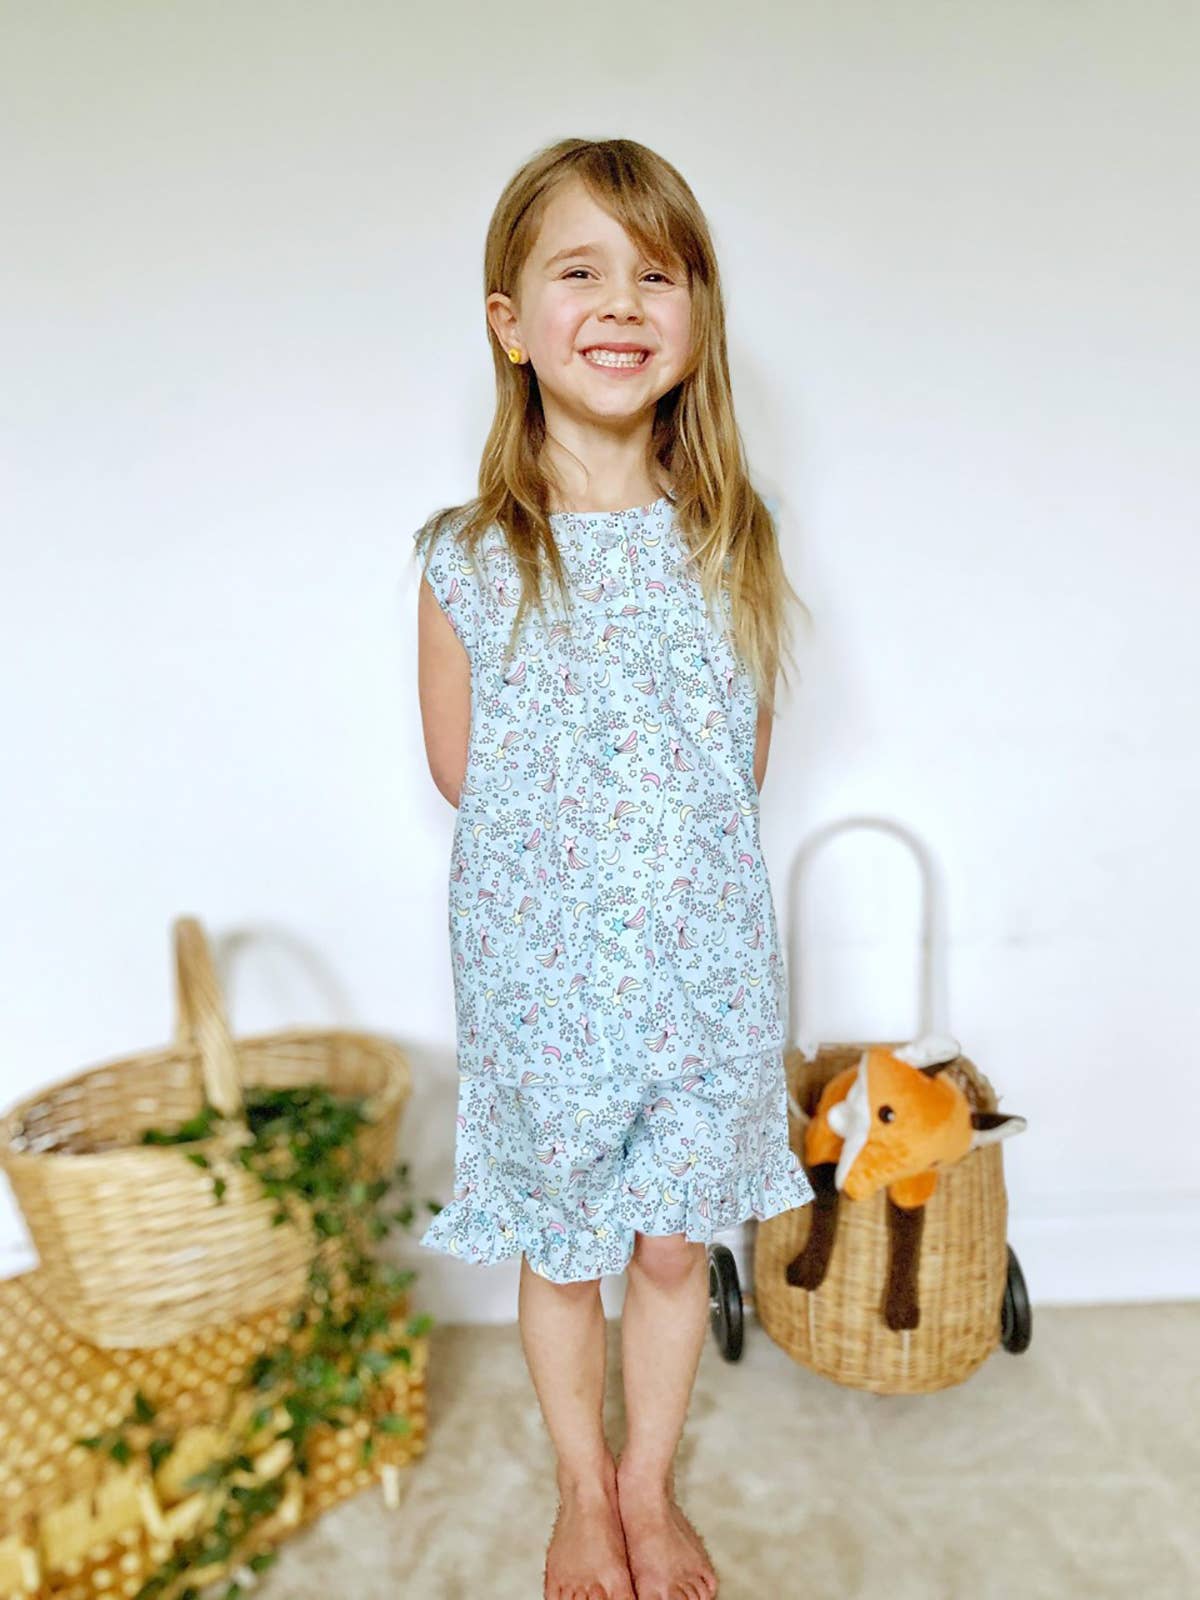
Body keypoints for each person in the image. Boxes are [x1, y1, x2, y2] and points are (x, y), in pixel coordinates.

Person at [413, 136, 814, 1600]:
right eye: (580, 272)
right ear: (511, 323)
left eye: (659, 273)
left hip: (704, 974)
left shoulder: (730, 541)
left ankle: (649, 1483)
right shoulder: (469, 557)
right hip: (544, 982)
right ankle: (582, 1489)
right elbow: (461, 770)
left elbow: (736, 765)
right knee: (567, 1248)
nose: (624, 303)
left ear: (697, 318)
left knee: (670, 1251)